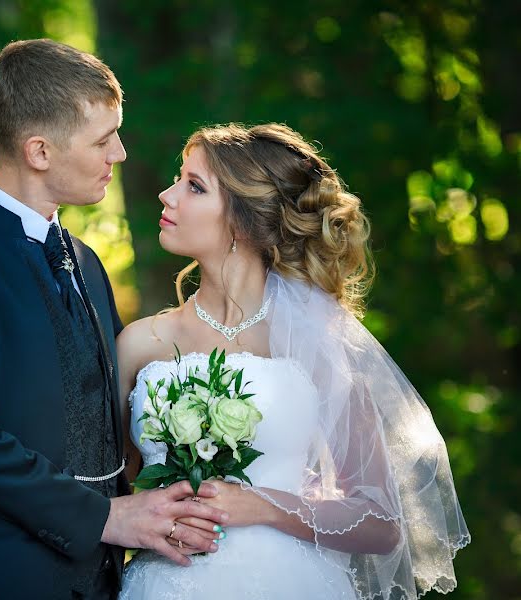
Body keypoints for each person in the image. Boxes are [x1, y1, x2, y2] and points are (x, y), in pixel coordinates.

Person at [0, 39, 229, 600]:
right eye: (103, 140)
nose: (118, 153)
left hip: (103, 580)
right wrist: (107, 520)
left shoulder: (86, 261)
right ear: (40, 151)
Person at [117, 123, 469, 599]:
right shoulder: (141, 344)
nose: (166, 194)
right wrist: (157, 515)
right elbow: (111, 492)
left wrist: (263, 505)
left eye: (193, 186)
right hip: (163, 583)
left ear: (243, 220)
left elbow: (382, 522)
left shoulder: (319, 347)